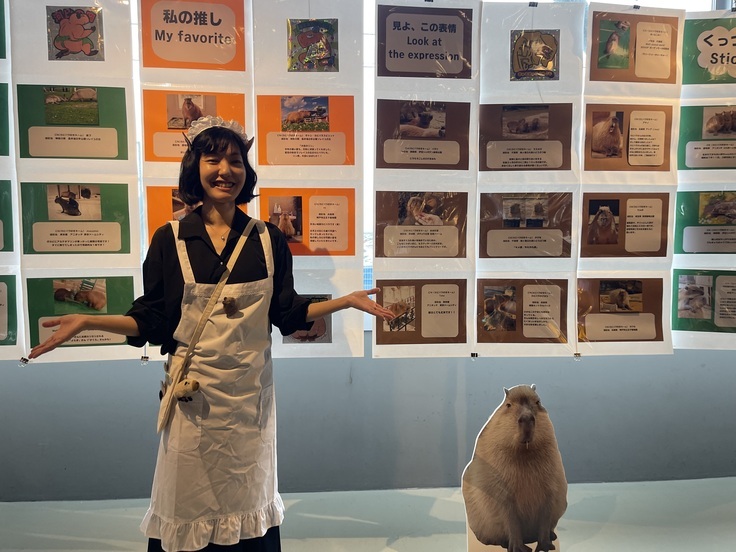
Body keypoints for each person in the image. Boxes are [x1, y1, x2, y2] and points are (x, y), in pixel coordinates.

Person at [28, 115, 395, 552]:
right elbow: (153, 319)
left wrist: (345, 301)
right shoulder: (170, 239)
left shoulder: (267, 239)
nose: (225, 170)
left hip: (250, 404)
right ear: (195, 168)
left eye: (235, 160)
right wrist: (90, 320)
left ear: (246, 171)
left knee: (248, 502)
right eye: (213, 159)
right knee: (187, 505)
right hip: (192, 402)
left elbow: (287, 312)